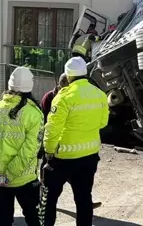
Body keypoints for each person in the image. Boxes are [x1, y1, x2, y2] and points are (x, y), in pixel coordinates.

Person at [42, 57, 109, 226]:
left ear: (68, 75)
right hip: (89, 156)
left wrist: (49, 151)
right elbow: (103, 123)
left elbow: (52, 129)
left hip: (62, 157)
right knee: (84, 199)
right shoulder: (100, 94)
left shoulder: (63, 97)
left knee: (49, 199)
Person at [0, 67, 43, 226]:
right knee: (33, 218)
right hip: (24, 179)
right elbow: (30, 150)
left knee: (4, 218)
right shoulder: (34, 113)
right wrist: (9, 175)